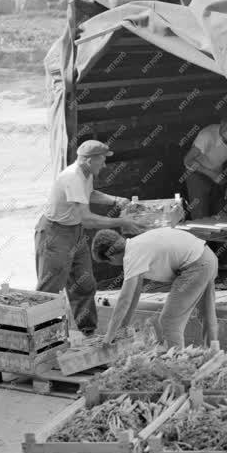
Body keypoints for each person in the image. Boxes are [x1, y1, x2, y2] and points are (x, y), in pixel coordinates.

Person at [35, 140, 142, 335]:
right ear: (88, 160)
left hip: (74, 231)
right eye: (101, 160)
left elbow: (89, 194)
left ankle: (88, 332)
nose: (104, 165)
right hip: (55, 233)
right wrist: (121, 222)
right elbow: (87, 220)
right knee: (50, 289)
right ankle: (41, 337)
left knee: (84, 284)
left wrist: (115, 200)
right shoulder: (72, 177)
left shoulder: (86, 174)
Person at [91, 227, 218, 349]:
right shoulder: (137, 244)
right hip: (207, 256)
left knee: (169, 321)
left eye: (109, 263)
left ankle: (176, 364)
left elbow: (124, 301)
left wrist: (108, 337)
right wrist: (122, 328)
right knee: (206, 314)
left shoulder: (131, 256)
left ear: (111, 258)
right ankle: (214, 354)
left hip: (196, 266)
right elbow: (134, 294)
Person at [184, 118, 227, 219]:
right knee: (200, 214)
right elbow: (187, 161)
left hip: (217, 173)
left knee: (221, 214)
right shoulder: (207, 135)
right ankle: (200, 232)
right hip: (197, 172)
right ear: (222, 123)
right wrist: (212, 175)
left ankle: (222, 234)